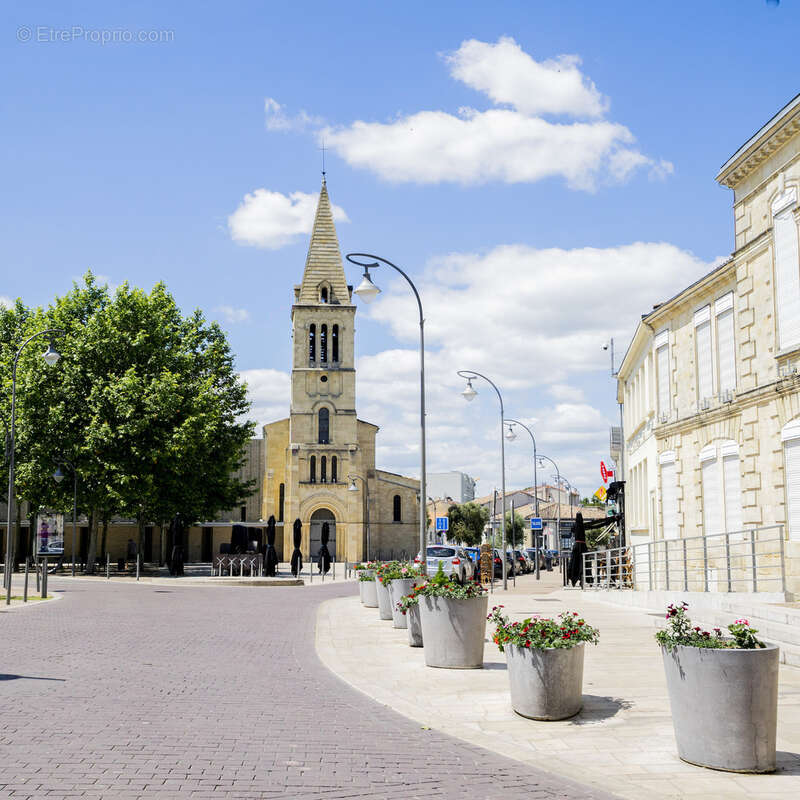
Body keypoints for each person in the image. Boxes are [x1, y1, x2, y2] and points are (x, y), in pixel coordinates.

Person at [568, 512, 588, 587]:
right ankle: (584, 578)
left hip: (576, 545)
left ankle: (574, 579)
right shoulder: (583, 525)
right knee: (584, 562)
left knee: (574, 563)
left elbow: (572, 531)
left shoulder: (574, 525)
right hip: (583, 545)